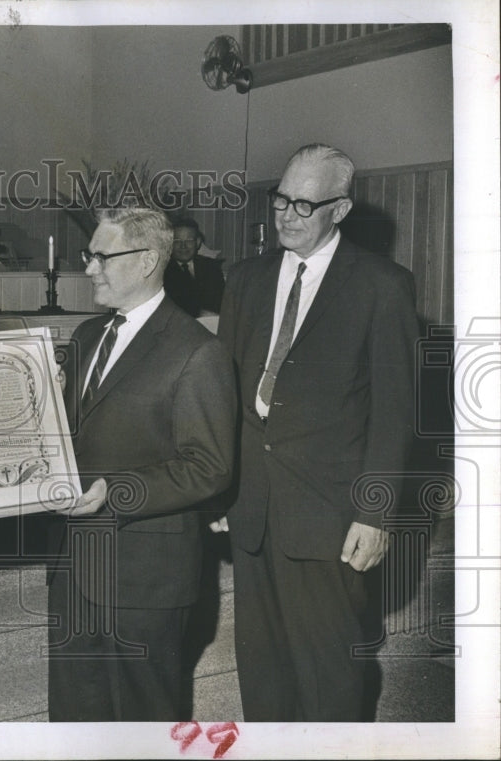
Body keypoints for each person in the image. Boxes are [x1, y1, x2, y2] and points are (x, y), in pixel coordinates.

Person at [214, 143, 420, 721]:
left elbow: (394, 411)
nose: (286, 214)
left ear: (341, 209)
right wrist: (221, 485)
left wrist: (375, 514)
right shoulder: (246, 278)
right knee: (262, 668)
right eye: (281, 199)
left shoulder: (382, 285)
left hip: (332, 513)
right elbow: (228, 393)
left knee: (328, 671)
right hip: (253, 503)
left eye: (305, 205)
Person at [47, 206, 237, 721]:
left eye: (101, 257)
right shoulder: (86, 336)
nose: (88, 269)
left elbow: (210, 465)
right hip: (74, 564)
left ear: (149, 259)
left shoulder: (197, 352)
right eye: (89, 256)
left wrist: (117, 490)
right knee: (73, 713)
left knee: (143, 720)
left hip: (147, 575)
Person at [162, 217, 225, 317]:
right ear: (170, 243)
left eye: (189, 241)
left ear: (198, 242)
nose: (183, 246)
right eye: (177, 241)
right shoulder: (162, 270)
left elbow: (222, 302)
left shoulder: (211, 267)